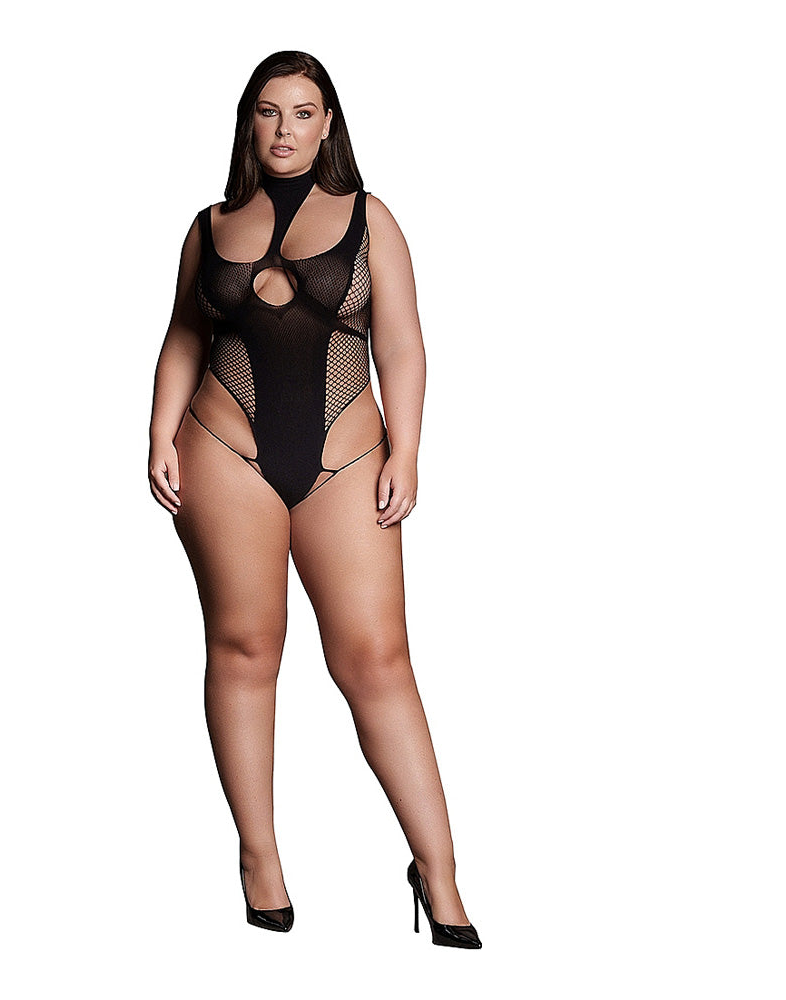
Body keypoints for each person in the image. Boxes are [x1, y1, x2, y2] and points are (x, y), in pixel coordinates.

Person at [147, 50, 481, 948]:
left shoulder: (370, 218)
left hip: (346, 459)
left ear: (328, 122)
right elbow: (184, 335)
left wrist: (408, 449)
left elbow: (401, 341)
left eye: (303, 112)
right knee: (245, 648)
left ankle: (440, 875)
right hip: (224, 453)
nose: (285, 129)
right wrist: (158, 433)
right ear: (248, 122)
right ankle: (259, 860)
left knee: (378, 660)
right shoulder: (209, 225)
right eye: (269, 111)